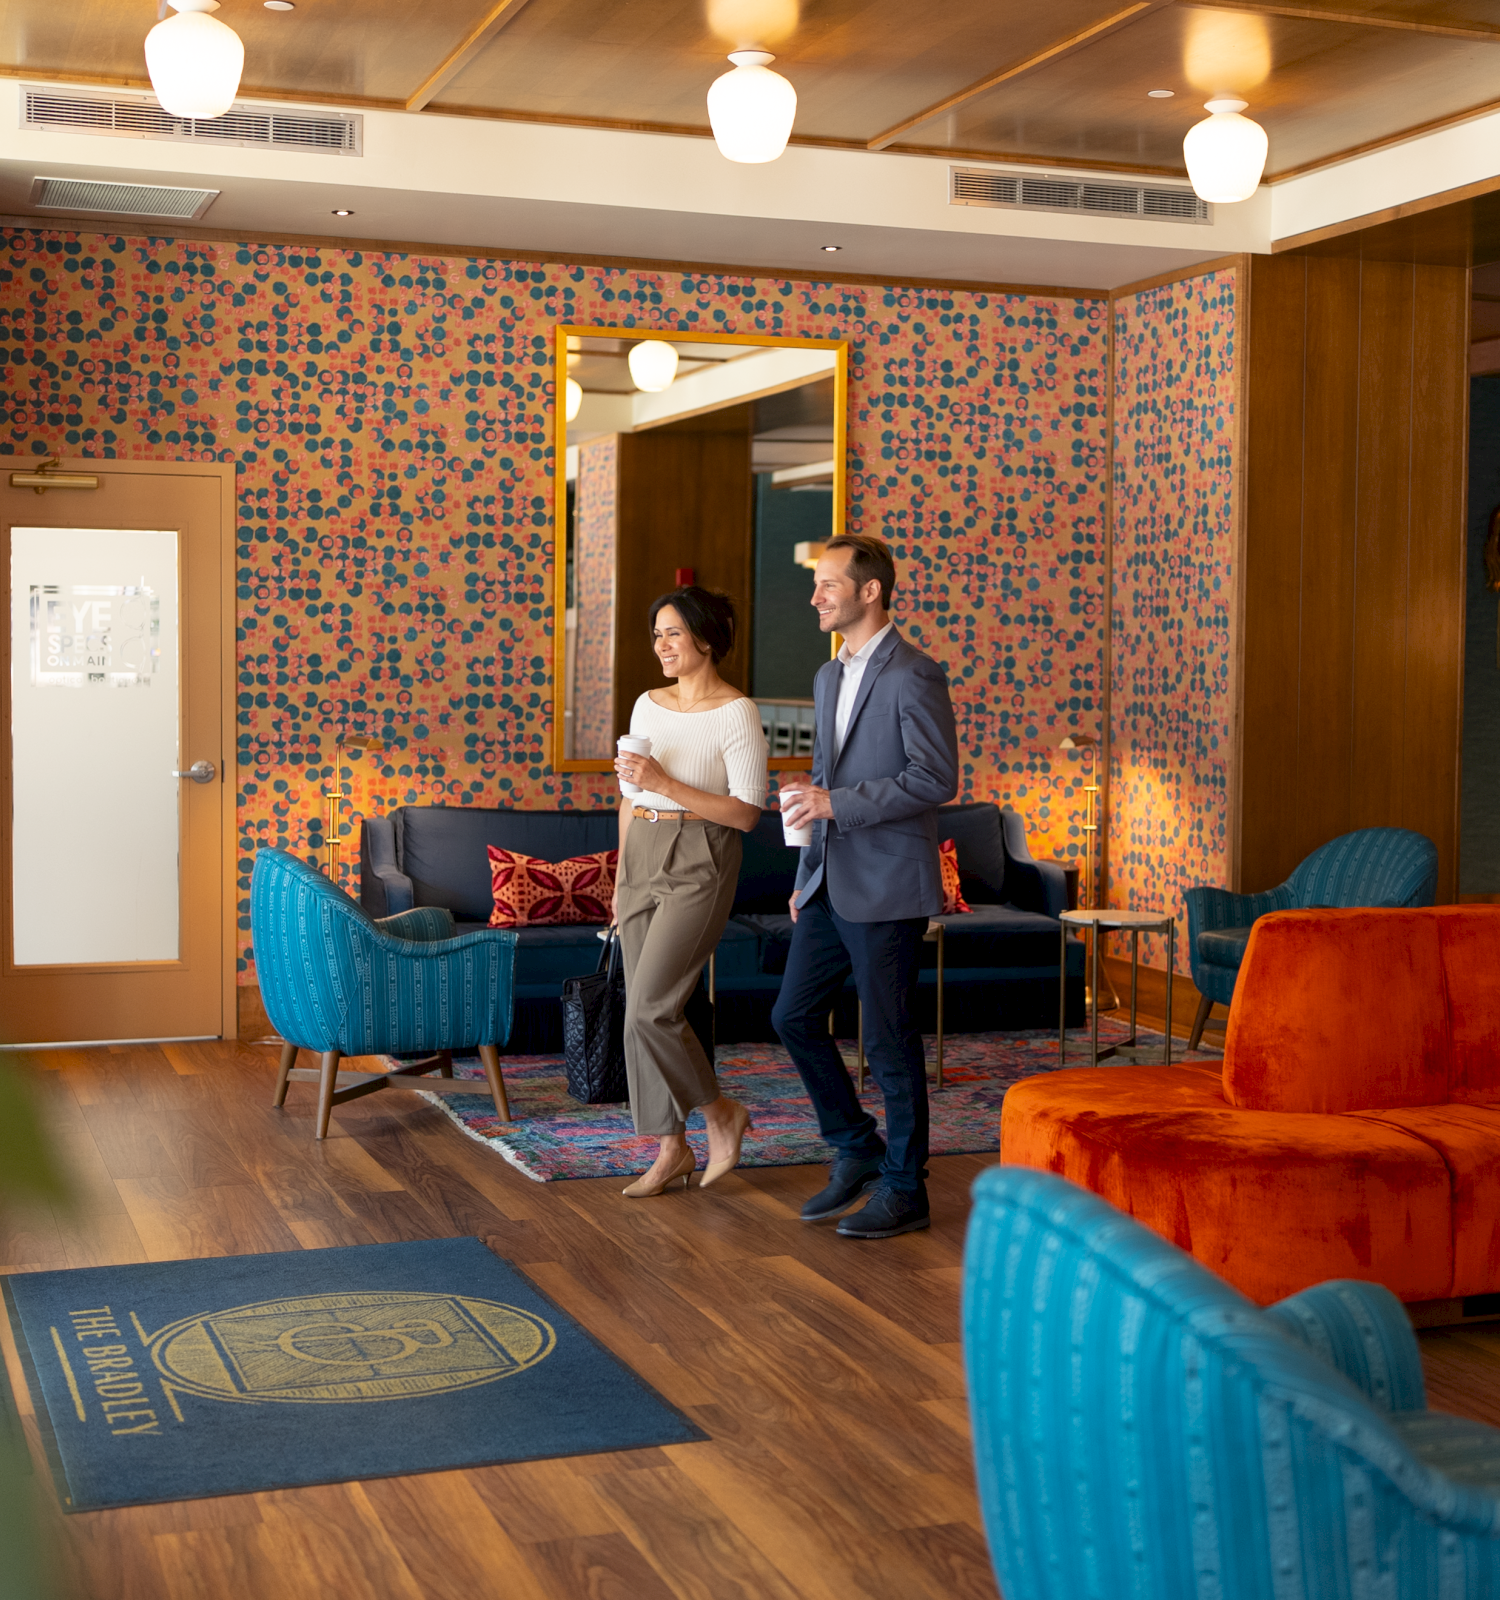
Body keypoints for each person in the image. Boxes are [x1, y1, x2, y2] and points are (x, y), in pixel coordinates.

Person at [773, 534, 959, 1239]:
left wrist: (836, 806)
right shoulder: (829, 678)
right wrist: (804, 868)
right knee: (792, 1017)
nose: (815, 595)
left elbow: (935, 778)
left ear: (869, 591)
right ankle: (858, 1149)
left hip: (889, 883)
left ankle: (907, 1190)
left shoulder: (914, 674)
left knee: (886, 1041)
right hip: (828, 880)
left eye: (827, 584)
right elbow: (826, 778)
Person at [611, 586, 769, 1199]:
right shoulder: (647, 705)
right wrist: (621, 878)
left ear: (706, 638)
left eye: (673, 632)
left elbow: (747, 814)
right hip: (641, 851)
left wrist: (664, 782)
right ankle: (670, 1147)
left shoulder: (738, 713)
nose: (662, 645)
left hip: (701, 854)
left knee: (653, 1005)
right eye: (657, 634)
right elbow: (630, 796)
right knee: (635, 1014)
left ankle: (720, 1113)